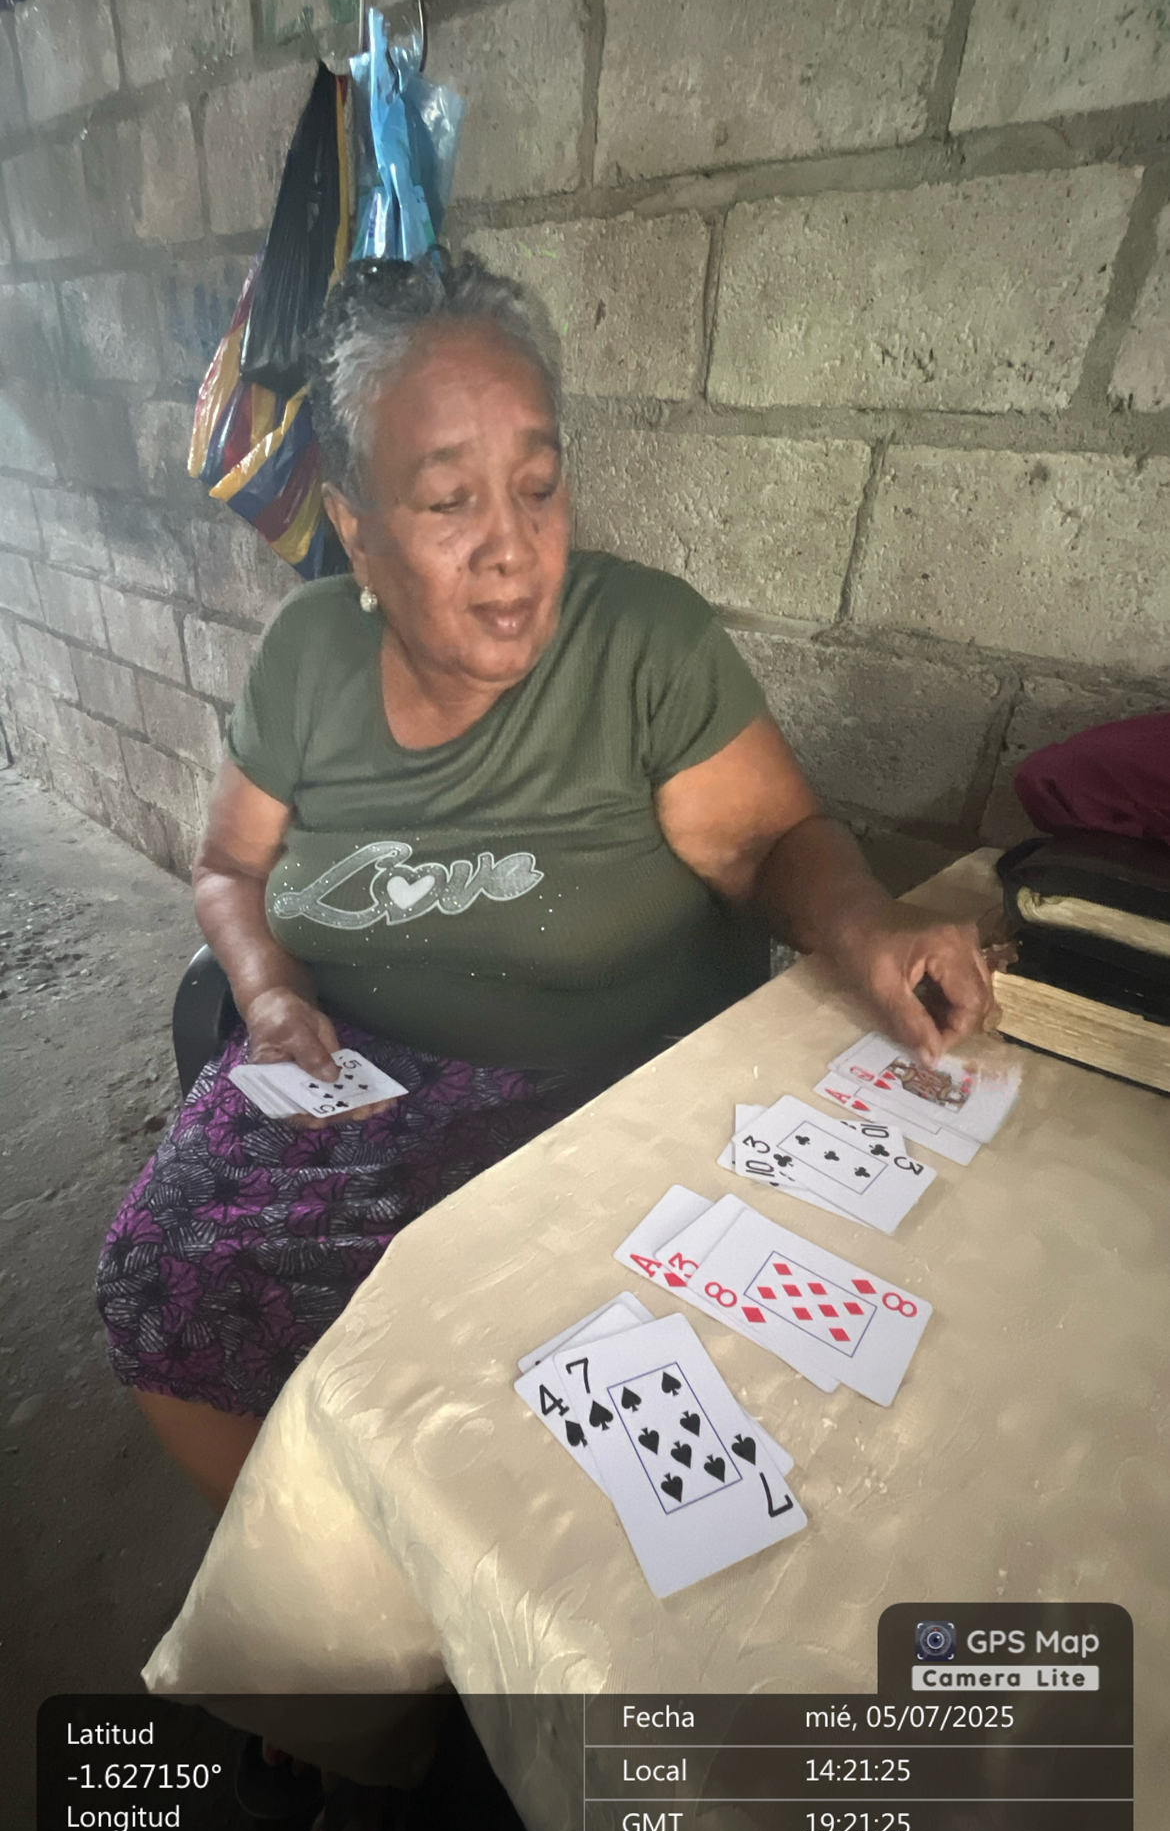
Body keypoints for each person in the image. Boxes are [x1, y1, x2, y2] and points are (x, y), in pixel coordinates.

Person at [97, 252, 993, 1510]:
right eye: (448, 502)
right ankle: (335, 1596)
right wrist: (268, 990)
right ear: (355, 528)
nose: (513, 551)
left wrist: (867, 924)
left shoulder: (644, 644)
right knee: (158, 1277)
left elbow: (770, 843)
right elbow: (228, 868)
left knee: (586, 1404)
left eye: (538, 486)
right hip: (352, 1082)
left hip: (604, 1101)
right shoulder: (305, 657)